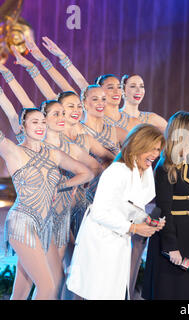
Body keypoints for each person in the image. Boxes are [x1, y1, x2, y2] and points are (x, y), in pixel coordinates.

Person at [0, 103, 93, 300]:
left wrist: (61, 185)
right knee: (49, 287)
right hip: (22, 222)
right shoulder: (12, 150)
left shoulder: (53, 153)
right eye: (35, 122)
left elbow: (87, 173)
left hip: (45, 225)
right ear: (22, 126)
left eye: (43, 121)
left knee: (24, 289)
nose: (41, 125)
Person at [66, 124, 166, 300]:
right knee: (96, 292)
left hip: (119, 241)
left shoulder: (144, 170)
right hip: (100, 241)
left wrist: (146, 220)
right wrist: (134, 228)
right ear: (138, 145)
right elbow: (99, 212)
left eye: (157, 149)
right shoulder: (117, 171)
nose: (155, 154)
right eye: (150, 149)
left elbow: (132, 205)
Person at [142, 111, 189, 299]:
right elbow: (163, 210)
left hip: (188, 236)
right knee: (169, 290)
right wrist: (171, 247)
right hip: (170, 236)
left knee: (187, 291)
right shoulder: (165, 167)